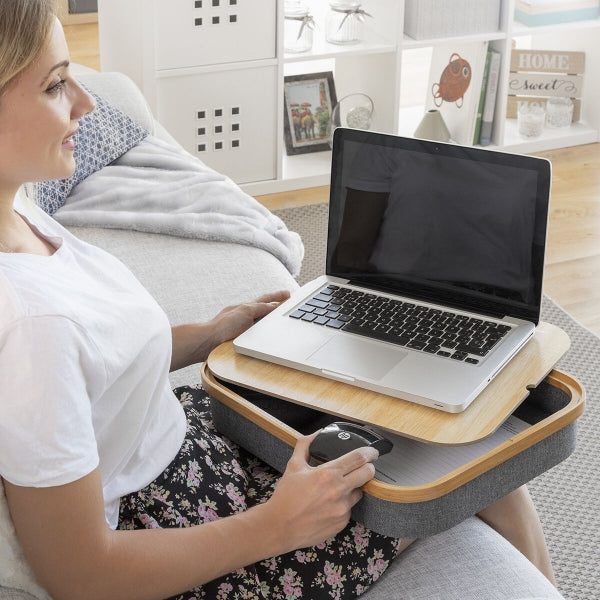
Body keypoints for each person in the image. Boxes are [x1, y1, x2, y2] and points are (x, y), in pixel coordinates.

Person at [0, 2, 556, 599]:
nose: (85, 102)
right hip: (186, 537)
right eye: (56, 85)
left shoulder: (19, 208)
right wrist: (278, 524)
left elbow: (94, 369)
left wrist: (211, 332)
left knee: (442, 432)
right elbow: (83, 575)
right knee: (476, 464)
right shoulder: (31, 326)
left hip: (187, 444)